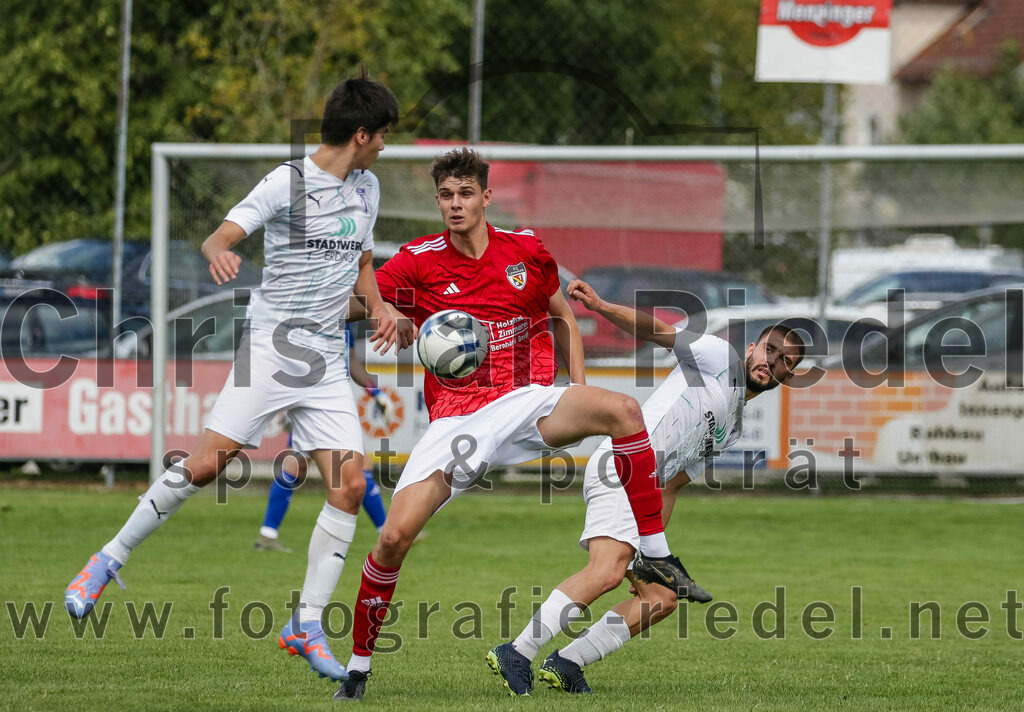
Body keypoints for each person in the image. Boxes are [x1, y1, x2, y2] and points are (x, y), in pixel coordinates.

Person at [63, 74, 412, 684]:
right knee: (204, 467)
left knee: (350, 487)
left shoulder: (367, 187)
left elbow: (362, 265)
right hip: (272, 352)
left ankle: (305, 624)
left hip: (328, 360)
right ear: (361, 133)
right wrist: (219, 251)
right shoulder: (289, 181)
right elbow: (220, 234)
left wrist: (378, 305)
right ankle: (105, 560)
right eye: (381, 136)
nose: (384, 146)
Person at [333, 147, 693, 702]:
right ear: (438, 202)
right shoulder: (418, 260)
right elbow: (359, 303)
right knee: (392, 537)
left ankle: (655, 550)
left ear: (485, 197)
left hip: (529, 399)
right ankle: (357, 668)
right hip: (459, 420)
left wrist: (575, 388)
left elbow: (563, 316)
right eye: (446, 196)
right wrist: (388, 310)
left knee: (623, 409)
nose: (456, 205)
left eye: (465, 194)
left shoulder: (526, 250)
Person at [492, 278, 804, 695]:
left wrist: (652, 549)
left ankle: (568, 661)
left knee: (661, 596)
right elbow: (656, 330)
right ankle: (517, 650)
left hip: (644, 494)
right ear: (752, 349)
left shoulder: (733, 429)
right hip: (620, 464)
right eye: (770, 349)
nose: (774, 360)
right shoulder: (717, 357)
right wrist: (601, 306)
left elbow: (672, 484)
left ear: (789, 376)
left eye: (786, 360)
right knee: (605, 571)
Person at [255, 325, 396, 553]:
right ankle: (387, 531)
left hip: (331, 404)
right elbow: (282, 355)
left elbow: (351, 362)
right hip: (312, 402)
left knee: (301, 465)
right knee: (354, 464)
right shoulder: (310, 313)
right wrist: (285, 400)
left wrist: (375, 391)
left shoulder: (344, 320)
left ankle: (267, 534)